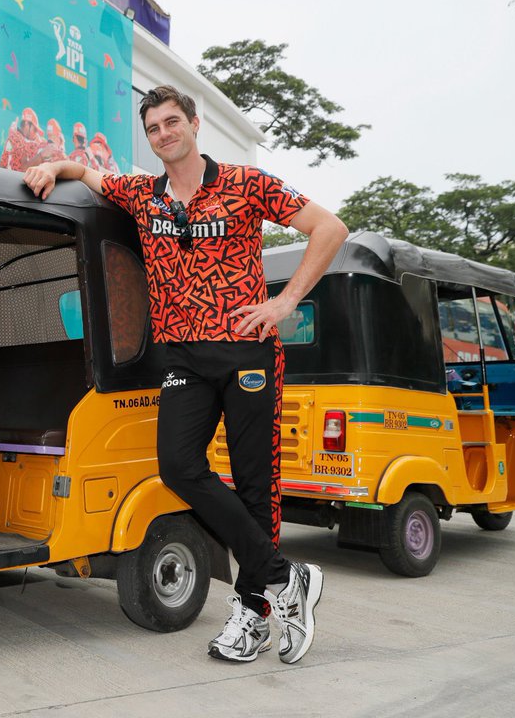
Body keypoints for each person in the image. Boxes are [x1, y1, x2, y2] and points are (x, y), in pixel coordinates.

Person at [23, 84, 348, 665]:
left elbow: (330, 228)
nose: (164, 134)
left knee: (256, 488)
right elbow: (85, 171)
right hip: (182, 358)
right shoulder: (141, 193)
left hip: (247, 352)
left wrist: (286, 300)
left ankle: (253, 614)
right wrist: (51, 165)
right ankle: (285, 576)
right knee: (178, 465)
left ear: (194, 124)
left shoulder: (247, 183)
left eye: (172, 123)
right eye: (153, 128)